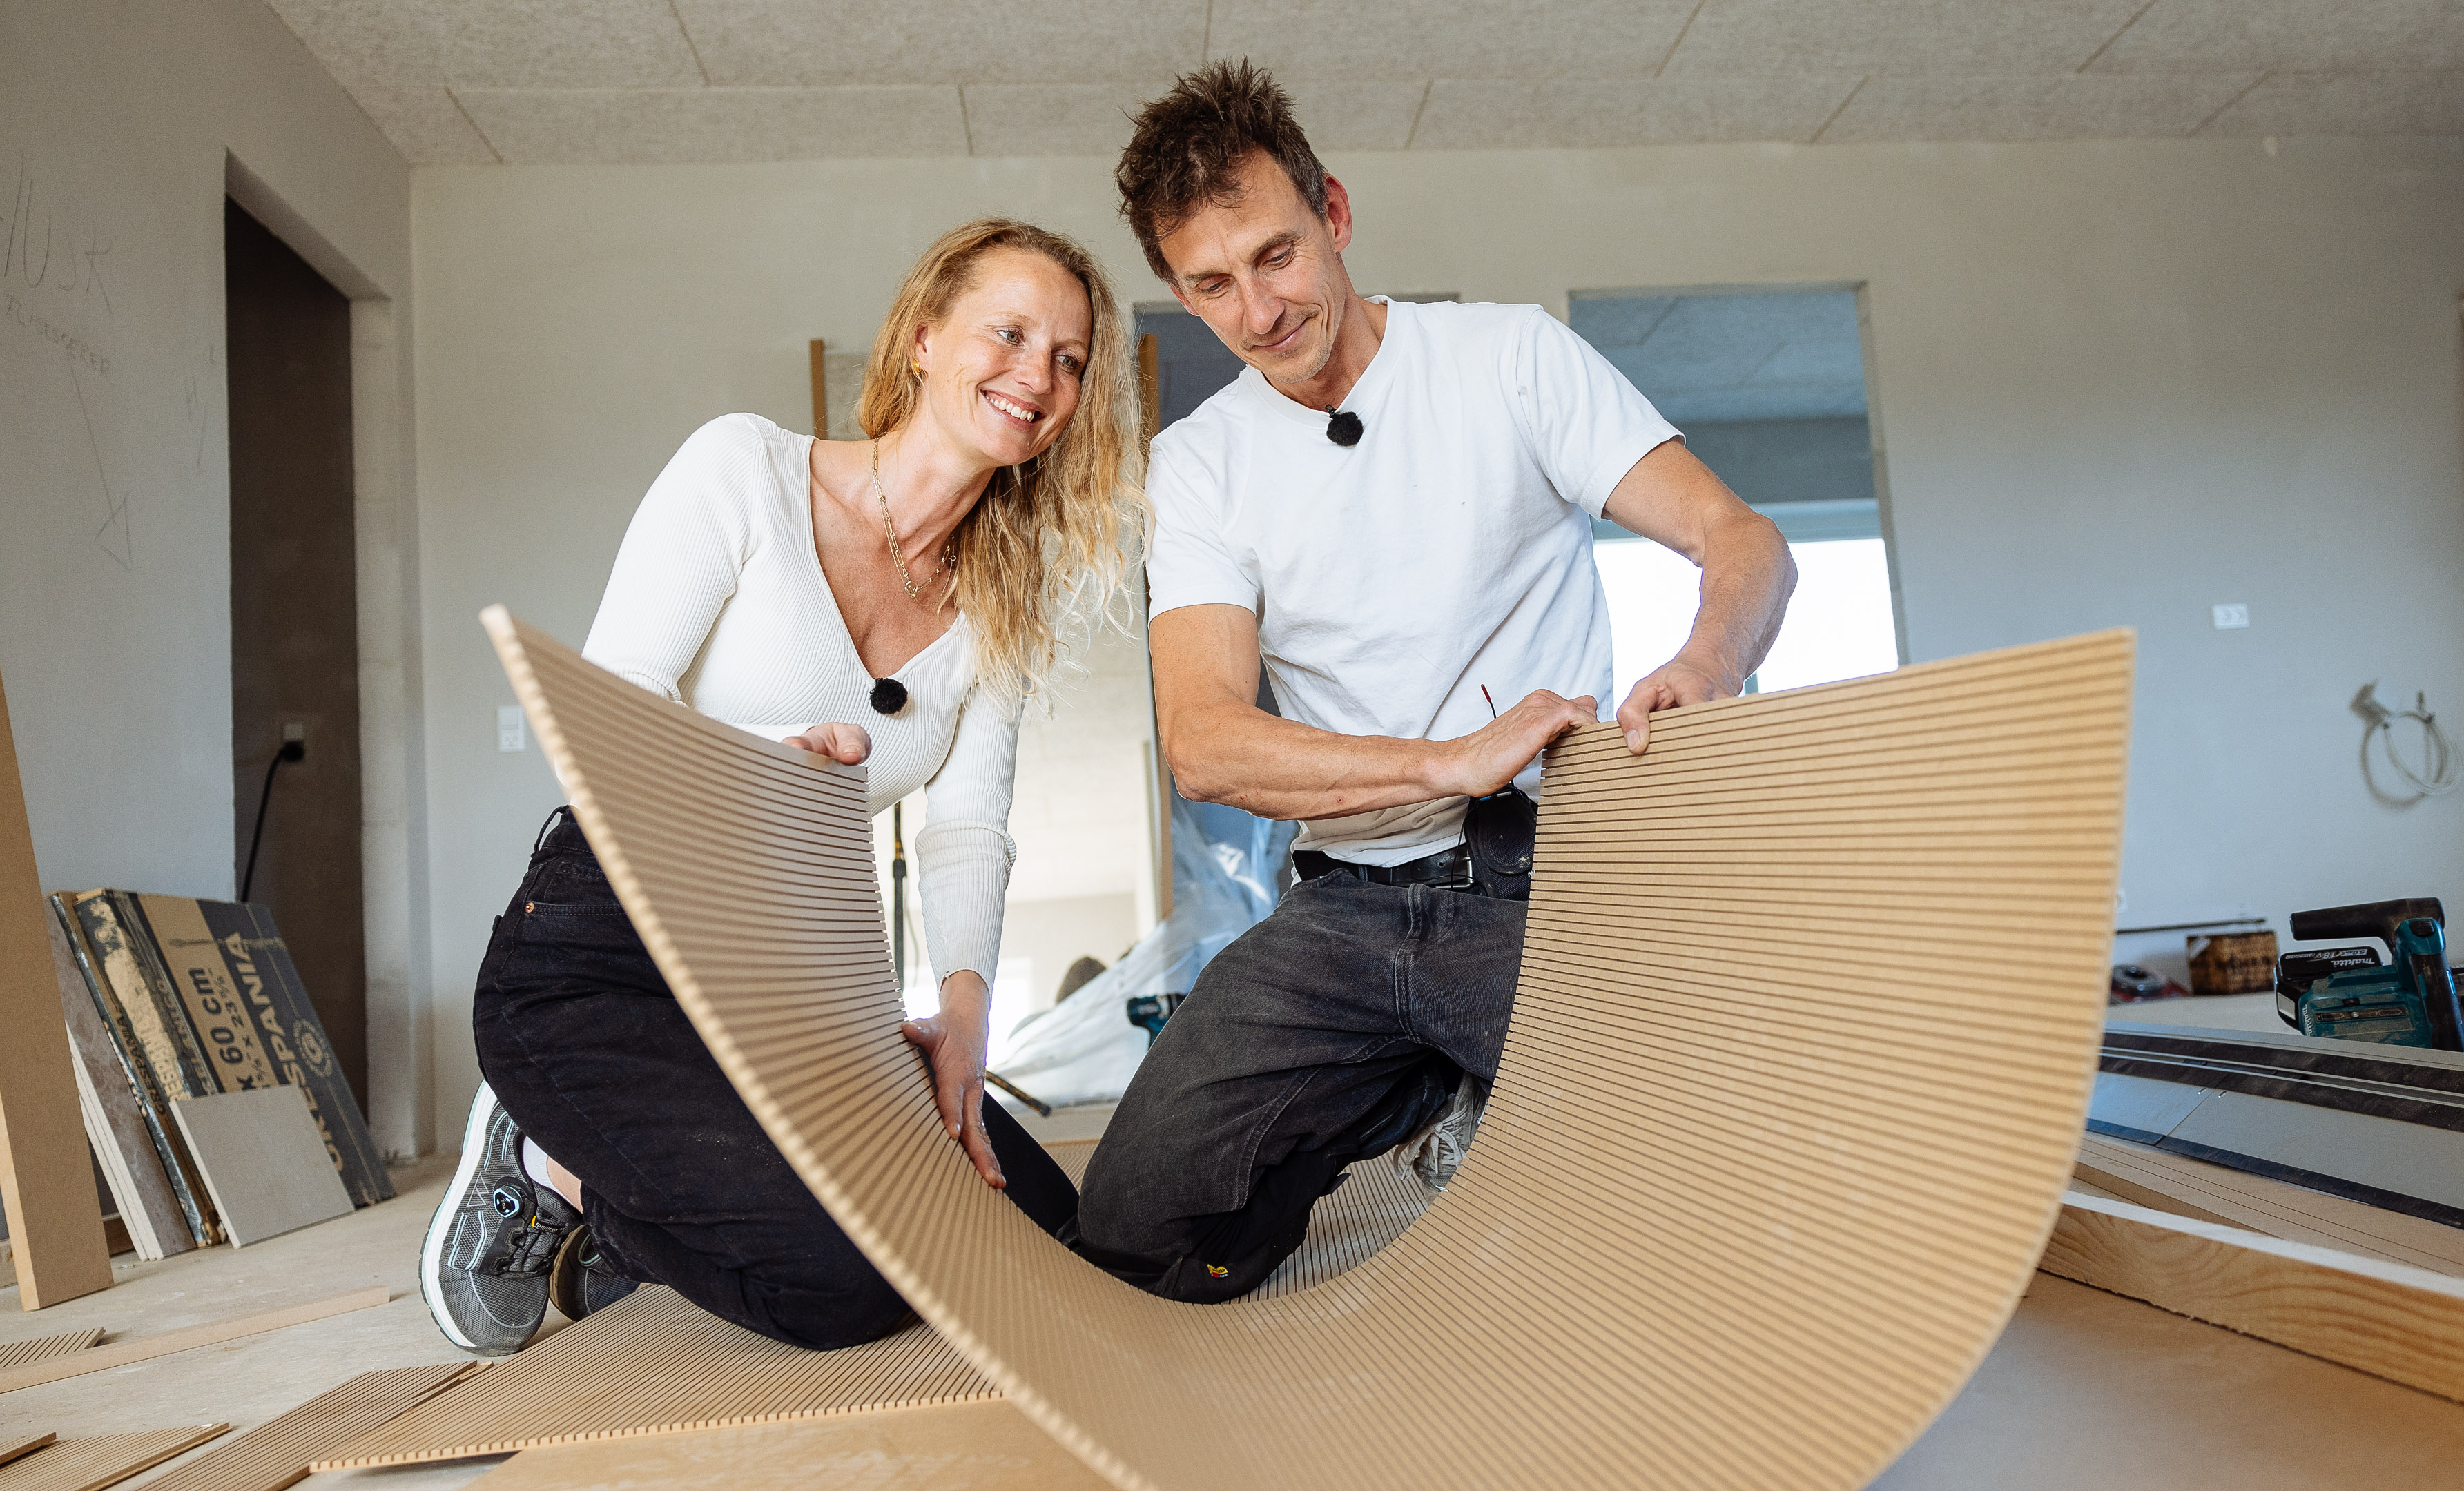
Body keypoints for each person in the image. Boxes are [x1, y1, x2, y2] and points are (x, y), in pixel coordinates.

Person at [1069, 64, 1798, 1302]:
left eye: (1276, 254)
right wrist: (1443, 763)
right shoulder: (1198, 465)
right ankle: (1426, 1080)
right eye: (1213, 283)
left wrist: (1707, 662)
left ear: (1335, 213)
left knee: (1725, 1213)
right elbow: (1203, 741)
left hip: (1538, 890)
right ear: (1182, 292)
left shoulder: (1507, 359)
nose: (1259, 310)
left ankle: (1482, 1084)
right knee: (1136, 1233)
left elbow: (1745, 542)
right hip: (1342, 916)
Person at [422, 219, 1147, 1355]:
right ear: (923, 338)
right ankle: (560, 1167)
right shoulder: (747, 470)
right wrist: (764, 762)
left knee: (1039, 1231)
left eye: (1068, 359)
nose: (1037, 376)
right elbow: (612, 702)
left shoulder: (1004, 597)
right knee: (846, 1288)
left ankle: (652, 1179)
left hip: (795, 982)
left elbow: (966, 826)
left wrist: (964, 1019)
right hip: (613, 948)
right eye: (1009, 334)